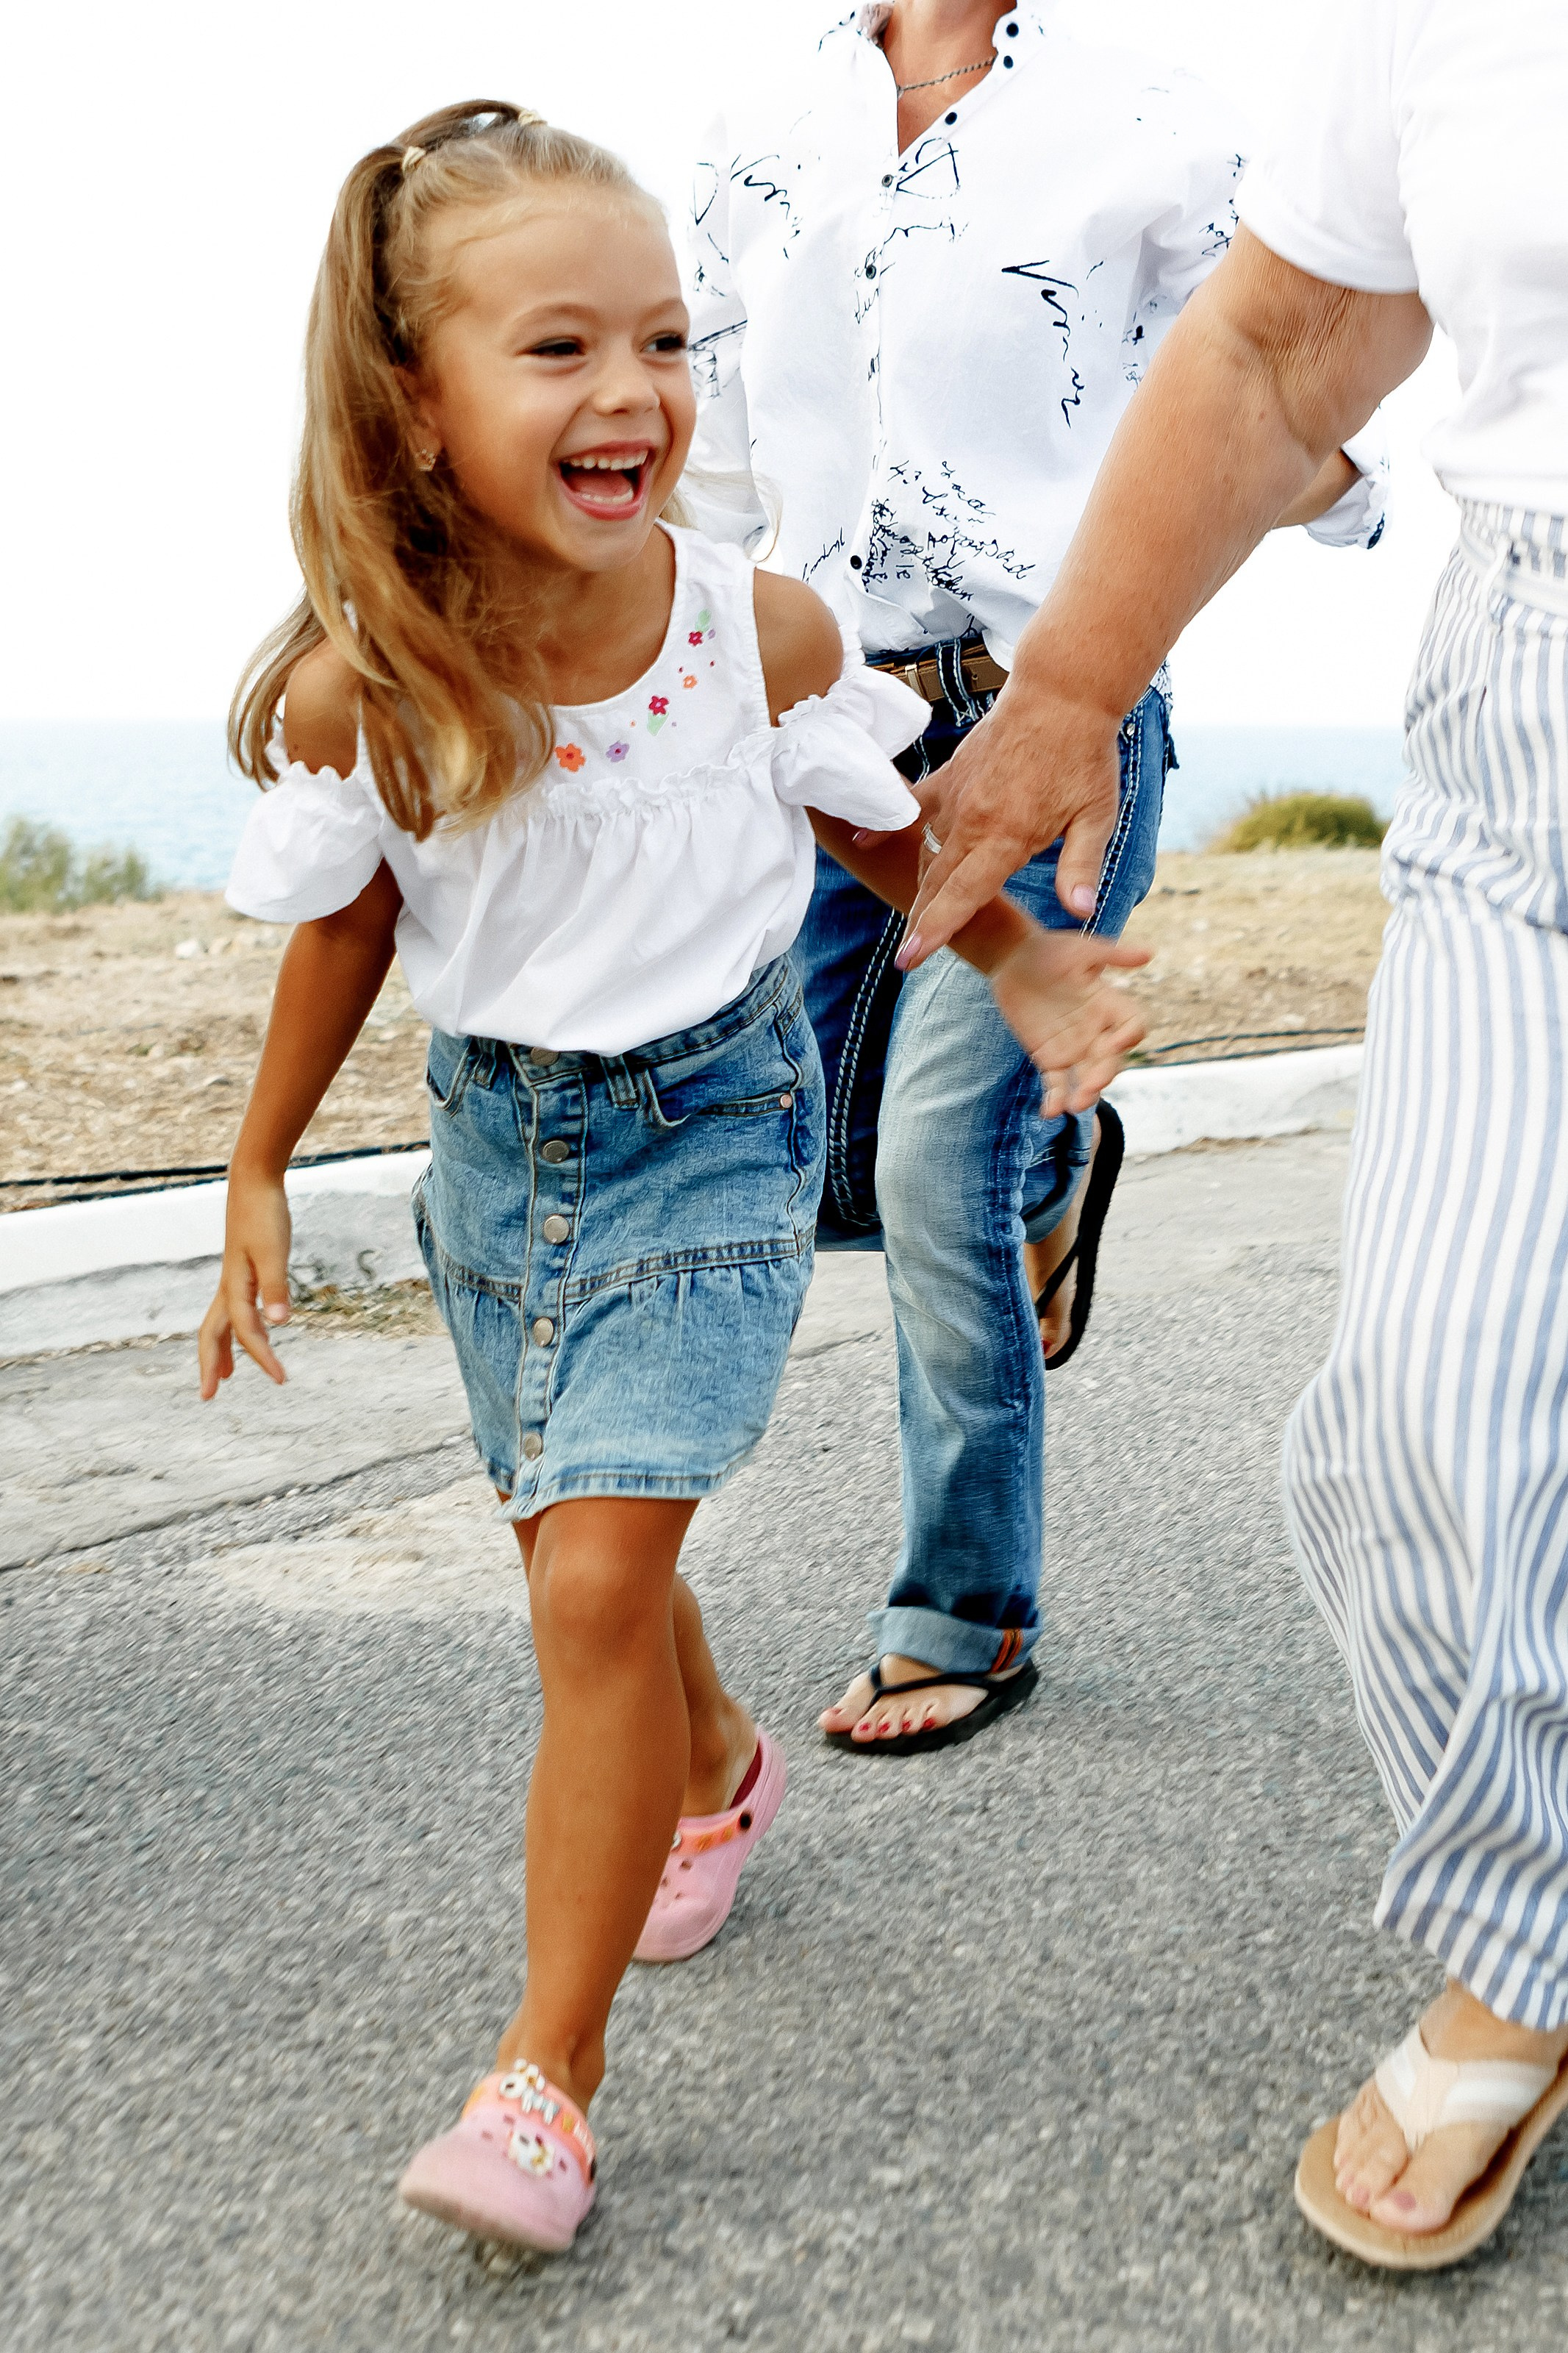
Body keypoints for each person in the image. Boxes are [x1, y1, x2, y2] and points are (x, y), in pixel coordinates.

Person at [198, 102, 1148, 2255]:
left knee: (591, 1588)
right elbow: (346, 931)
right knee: (583, 1569)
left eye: (659, 341)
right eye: (556, 351)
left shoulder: (757, 628)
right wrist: (256, 1169)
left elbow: (870, 831)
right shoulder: (382, 679)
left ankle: (541, 2087)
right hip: (497, 1157)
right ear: (414, 409)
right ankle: (710, 1770)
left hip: (713, 1128)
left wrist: (1018, 971)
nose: (628, 392)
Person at [895, 0, 1568, 2271]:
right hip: (1531, 713)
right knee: (1426, 1411)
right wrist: (1067, 689)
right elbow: (1278, 351)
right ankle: (1536, 1915)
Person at [686, 0, 1389, 1755]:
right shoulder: (760, 127)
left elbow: (1279, 377)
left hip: (1046, 714)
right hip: (828, 725)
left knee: (933, 1162)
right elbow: (703, 450)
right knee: (824, 1148)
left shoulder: (1145, 113)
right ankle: (1056, 1154)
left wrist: (1325, 465)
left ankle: (963, 1610)